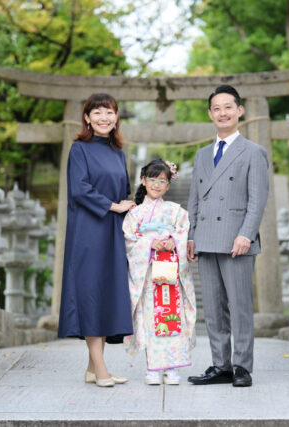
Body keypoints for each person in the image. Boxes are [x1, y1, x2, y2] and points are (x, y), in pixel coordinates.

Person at [186, 85, 269, 388]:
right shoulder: (201, 155)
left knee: (240, 305)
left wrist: (246, 234)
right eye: (216, 108)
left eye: (228, 107)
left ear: (239, 111)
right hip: (206, 239)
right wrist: (191, 236)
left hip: (237, 239)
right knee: (213, 307)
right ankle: (220, 364)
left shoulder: (254, 152)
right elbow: (194, 199)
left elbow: (258, 198)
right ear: (210, 114)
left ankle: (242, 367)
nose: (222, 113)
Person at [57, 93, 136, 387]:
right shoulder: (80, 149)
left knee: (106, 292)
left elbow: (125, 190)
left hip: (114, 231)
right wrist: (112, 206)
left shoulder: (118, 151)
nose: (105, 117)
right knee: (90, 292)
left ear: (116, 117)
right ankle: (101, 368)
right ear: (87, 118)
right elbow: (79, 189)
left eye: (110, 112)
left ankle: (93, 369)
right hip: (88, 231)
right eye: (98, 112)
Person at [122, 159, 196, 386]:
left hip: (171, 272)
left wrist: (174, 241)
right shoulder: (135, 214)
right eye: (152, 180)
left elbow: (184, 233)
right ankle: (153, 368)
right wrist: (151, 243)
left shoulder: (176, 211)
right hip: (148, 274)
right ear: (143, 181)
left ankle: (172, 368)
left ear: (168, 185)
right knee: (151, 320)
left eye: (161, 181)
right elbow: (129, 240)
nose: (156, 185)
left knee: (174, 317)